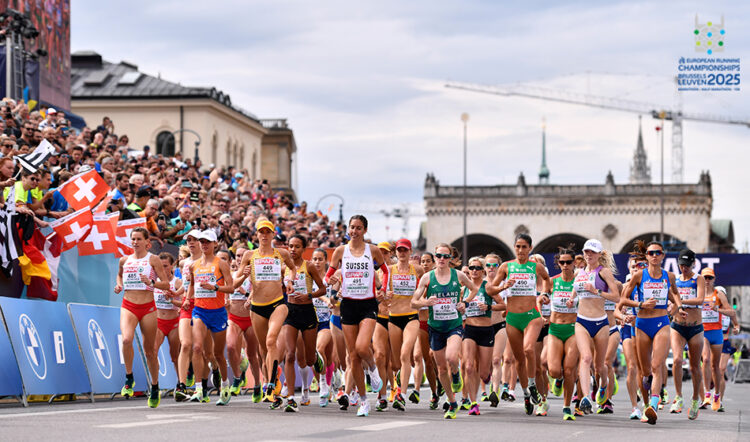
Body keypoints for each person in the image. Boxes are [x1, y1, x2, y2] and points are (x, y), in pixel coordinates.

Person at [325, 215, 390, 417]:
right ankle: (363, 401)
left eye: (358, 228)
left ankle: (372, 368)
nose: (354, 231)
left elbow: (386, 271)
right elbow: (328, 277)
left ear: (365, 230)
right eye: (352, 227)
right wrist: (331, 279)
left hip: (368, 304)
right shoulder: (340, 251)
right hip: (348, 305)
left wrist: (383, 289)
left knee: (363, 347)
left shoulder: (373, 251)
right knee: (352, 355)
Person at [486, 234, 552, 415]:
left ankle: (532, 385)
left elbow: (547, 279)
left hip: (532, 315)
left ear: (530, 248)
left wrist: (544, 294)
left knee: (529, 349)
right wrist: (503, 287)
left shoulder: (536, 267)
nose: (521, 250)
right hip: (512, 317)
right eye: (518, 246)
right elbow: (490, 288)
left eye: (524, 247)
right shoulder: (506, 266)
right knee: (518, 360)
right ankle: (525, 394)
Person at [412, 243, 478, 419]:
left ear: (450, 259)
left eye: (446, 256)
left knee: (451, 357)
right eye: (439, 256)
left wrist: (465, 303)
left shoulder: (459, 275)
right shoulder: (427, 278)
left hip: (454, 325)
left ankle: (456, 374)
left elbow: (474, 289)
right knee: (441, 368)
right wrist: (425, 303)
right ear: (435, 257)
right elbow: (413, 302)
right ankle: (452, 402)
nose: (442, 259)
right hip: (435, 327)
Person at [621, 240, 684, 425]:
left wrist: (679, 307)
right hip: (641, 324)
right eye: (651, 253)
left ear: (663, 256)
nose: (654, 256)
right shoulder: (639, 275)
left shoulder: (669, 276)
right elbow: (623, 299)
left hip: (662, 322)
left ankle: (654, 405)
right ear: (646, 256)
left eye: (658, 253)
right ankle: (646, 405)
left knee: (657, 365)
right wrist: (640, 304)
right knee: (645, 371)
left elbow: (674, 294)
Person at [236, 218, 296, 408]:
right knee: (263, 351)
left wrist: (290, 280)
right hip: (257, 306)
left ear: (272, 235)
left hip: (278, 303)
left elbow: (293, 269)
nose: (263, 235)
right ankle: (272, 378)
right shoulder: (249, 254)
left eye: (267, 232)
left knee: (271, 340)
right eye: (260, 232)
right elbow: (236, 279)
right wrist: (243, 273)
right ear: (257, 235)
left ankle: (270, 385)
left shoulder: (281, 253)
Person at [114, 227, 172, 408]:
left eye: (139, 239)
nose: (135, 242)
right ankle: (129, 377)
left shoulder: (153, 260)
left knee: (150, 351)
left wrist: (152, 282)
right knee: (126, 339)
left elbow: (166, 284)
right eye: (133, 239)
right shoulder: (125, 260)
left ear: (147, 242)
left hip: (148, 308)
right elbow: (119, 275)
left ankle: (154, 386)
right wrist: (118, 285)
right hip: (129, 305)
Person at [569, 239, 621, 415]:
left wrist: (596, 291)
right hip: (582, 321)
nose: (589, 255)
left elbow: (616, 297)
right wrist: (571, 299)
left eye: (592, 252)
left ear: (599, 254)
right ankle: (585, 398)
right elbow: (575, 291)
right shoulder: (579, 272)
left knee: (600, 367)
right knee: (585, 358)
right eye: (586, 251)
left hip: (601, 323)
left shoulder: (604, 272)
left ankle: (604, 387)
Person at [184, 229, 235, 406]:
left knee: (218, 354)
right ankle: (199, 388)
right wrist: (187, 299)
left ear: (215, 244)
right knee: (197, 348)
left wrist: (215, 288)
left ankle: (225, 385)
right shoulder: (193, 265)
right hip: (199, 311)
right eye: (202, 242)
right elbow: (191, 285)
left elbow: (231, 288)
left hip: (218, 312)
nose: (204, 245)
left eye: (207, 242)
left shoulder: (221, 264)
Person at [281, 234, 326, 412]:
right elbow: (278, 287)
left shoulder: (309, 266)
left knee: (309, 359)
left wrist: (308, 295)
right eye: (290, 246)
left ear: (303, 249)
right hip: (290, 312)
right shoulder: (284, 267)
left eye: (297, 246)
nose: (292, 249)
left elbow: (322, 288)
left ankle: (316, 357)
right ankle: (291, 398)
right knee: (290, 355)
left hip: (307, 312)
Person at [461, 256, 505, 416]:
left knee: (484, 372)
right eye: (471, 268)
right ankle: (473, 402)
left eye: (477, 268)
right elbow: (458, 306)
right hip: (469, 330)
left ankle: (487, 379)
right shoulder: (464, 288)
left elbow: (503, 304)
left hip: (486, 331)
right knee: (468, 366)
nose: (474, 271)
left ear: (482, 270)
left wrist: (489, 307)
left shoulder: (488, 287)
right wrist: (461, 309)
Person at [386, 239, 424, 411]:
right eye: (399, 250)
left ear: (410, 252)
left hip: (411, 317)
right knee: (396, 363)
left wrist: (424, 301)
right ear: (396, 252)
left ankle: (401, 393)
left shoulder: (417, 270)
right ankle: (397, 385)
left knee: (404, 355)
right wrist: (385, 295)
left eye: (405, 250)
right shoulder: (388, 270)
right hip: (393, 317)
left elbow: (425, 289)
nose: (402, 253)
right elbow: (380, 292)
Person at [669, 249, 705, 419]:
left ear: (693, 264)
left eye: (687, 265)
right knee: (676, 360)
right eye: (681, 265)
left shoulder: (698, 279)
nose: (684, 268)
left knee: (694, 366)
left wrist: (680, 301)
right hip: (677, 326)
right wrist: (673, 306)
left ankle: (695, 400)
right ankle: (678, 396)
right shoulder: (674, 280)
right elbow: (669, 298)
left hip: (695, 327)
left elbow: (699, 300)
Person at [546, 246, 580, 421]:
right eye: (562, 262)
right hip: (555, 328)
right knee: (553, 370)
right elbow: (541, 297)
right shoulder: (552, 282)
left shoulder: (579, 281)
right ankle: (557, 380)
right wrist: (543, 299)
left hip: (574, 329)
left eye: (568, 262)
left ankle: (567, 407)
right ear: (558, 264)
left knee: (569, 370)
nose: (565, 265)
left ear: (574, 263)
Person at [226, 248, 262, 402]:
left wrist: (249, 297)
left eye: (243, 255)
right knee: (231, 347)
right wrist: (225, 301)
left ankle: (257, 385)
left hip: (250, 319)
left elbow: (257, 290)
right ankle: (236, 378)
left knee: (253, 355)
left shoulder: (254, 273)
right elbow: (229, 288)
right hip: (233, 317)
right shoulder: (231, 274)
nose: (240, 258)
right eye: (238, 256)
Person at [699, 268, 735, 412]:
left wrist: (718, 310)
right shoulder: (698, 293)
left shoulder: (719, 296)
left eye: (710, 278)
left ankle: (718, 396)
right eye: (705, 277)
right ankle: (707, 393)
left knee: (718, 368)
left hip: (719, 335)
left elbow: (732, 313)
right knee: (706, 360)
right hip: (703, 332)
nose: (707, 280)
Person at [619, 256, 647, 420]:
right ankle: (634, 407)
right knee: (631, 366)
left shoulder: (649, 285)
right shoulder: (625, 287)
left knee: (644, 370)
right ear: (629, 269)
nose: (636, 269)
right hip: (628, 328)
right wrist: (622, 317)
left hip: (645, 328)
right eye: (633, 266)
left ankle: (648, 401)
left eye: (640, 266)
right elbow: (617, 309)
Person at [310, 248, 336, 407]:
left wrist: (331, 300)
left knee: (321, 350)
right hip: (311, 322)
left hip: (328, 322)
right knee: (316, 357)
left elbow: (336, 296)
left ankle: (325, 383)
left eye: (320, 259)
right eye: (314, 259)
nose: (317, 262)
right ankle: (324, 385)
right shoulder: (307, 278)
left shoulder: (330, 279)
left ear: (326, 261)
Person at [153, 253, 182, 387]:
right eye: (160, 266)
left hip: (173, 323)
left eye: (165, 266)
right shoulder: (154, 281)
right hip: (158, 322)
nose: (163, 269)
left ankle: (181, 384)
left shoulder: (177, 282)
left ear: (172, 266)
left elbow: (184, 303)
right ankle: (155, 384)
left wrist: (171, 299)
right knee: (152, 351)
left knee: (175, 356)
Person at [415, 252, 440, 409]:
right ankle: (434, 392)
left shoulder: (438, 280)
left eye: (428, 261)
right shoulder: (418, 282)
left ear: (433, 263)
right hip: (421, 322)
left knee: (435, 357)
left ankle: (441, 379)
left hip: (437, 322)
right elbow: (413, 302)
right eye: (422, 261)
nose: (425, 264)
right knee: (425, 360)